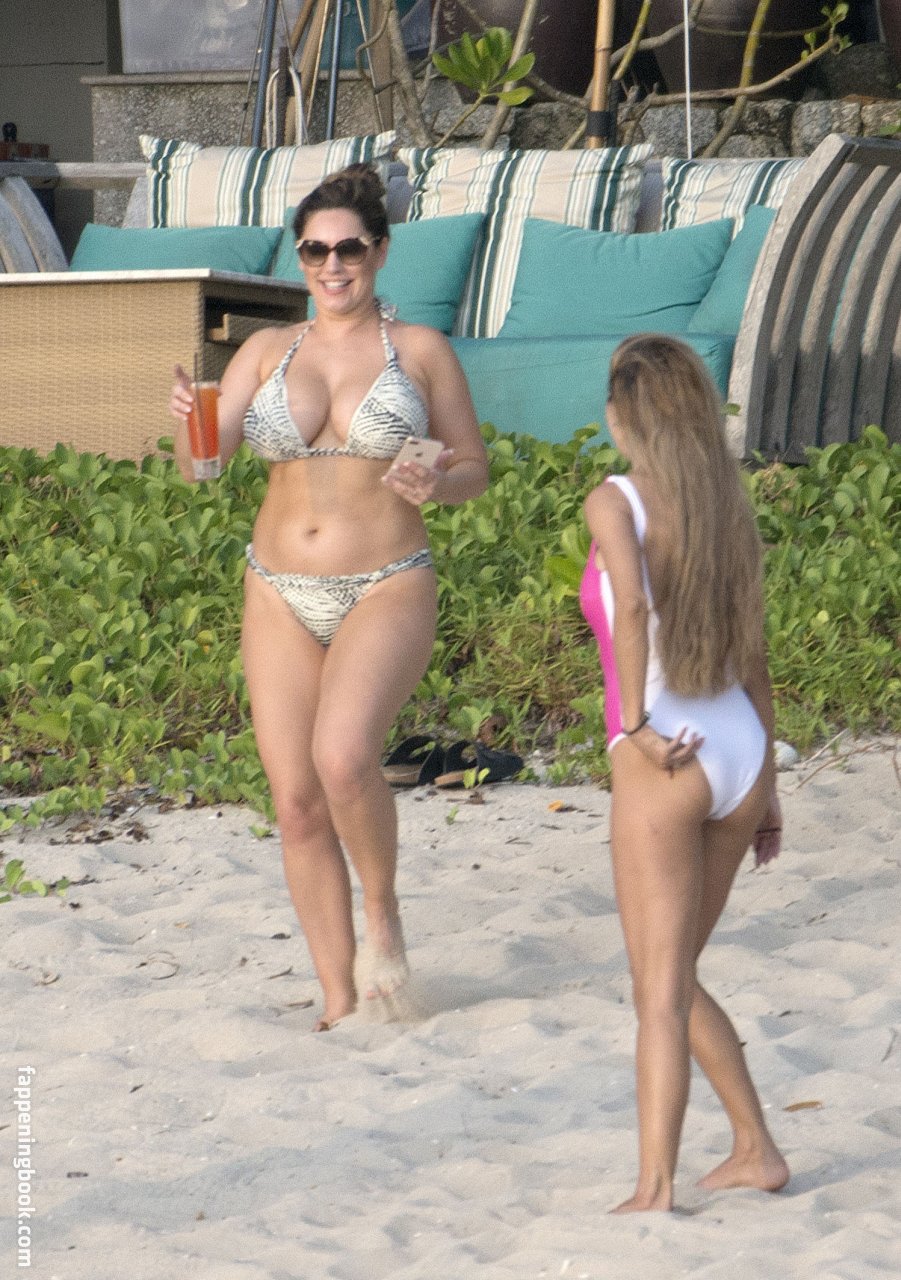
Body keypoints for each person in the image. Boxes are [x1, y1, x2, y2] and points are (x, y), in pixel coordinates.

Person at [169, 164, 488, 1031]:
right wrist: (188, 422)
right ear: (300, 257)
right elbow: (205, 467)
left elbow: (472, 466)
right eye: (315, 250)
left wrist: (439, 483)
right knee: (296, 802)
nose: (332, 265)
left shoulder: (419, 350)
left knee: (344, 760)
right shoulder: (265, 351)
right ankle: (339, 997)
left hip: (386, 581)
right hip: (276, 588)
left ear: (379, 252)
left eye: (349, 248)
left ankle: (381, 913)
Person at [580, 334, 789, 1213]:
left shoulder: (614, 499)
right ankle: (754, 1148)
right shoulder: (721, 506)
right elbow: (755, 655)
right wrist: (767, 785)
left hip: (664, 750)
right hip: (736, 744)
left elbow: (630, 605)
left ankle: (655, 1187)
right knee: (672, 973)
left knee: (657, 992)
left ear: (620, 417)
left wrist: (632, 725)